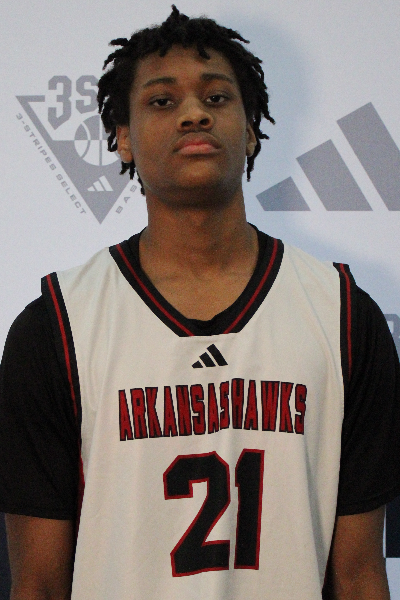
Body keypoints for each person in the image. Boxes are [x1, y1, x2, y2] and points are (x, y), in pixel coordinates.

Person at [0, 6, 399, 600]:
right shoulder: (58, 326)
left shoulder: (342, 315)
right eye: (162, 101)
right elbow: (36, 584)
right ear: (123, 138)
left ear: (252, 129)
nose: (194, 113)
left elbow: (362, 575)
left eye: (216, 98)